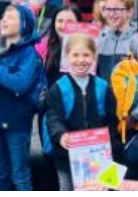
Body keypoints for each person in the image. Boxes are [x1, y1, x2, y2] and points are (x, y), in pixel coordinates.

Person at [0, 4, 43, 192]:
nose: (4, 20)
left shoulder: (28, 53)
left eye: (11, 17)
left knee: (20, 174)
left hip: (17, 121)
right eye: (3, 16)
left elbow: (21, 83)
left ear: (25, 25)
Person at [43, 32, 121, 191]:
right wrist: (61, 135)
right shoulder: (58, 88)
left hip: (100, 156)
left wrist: (113, 149)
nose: (81, 60)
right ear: (67, 57)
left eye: (86, 55)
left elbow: (112, 122)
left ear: (94, 57)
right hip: (67, 156)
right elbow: (53, 118)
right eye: (75, 55)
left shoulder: (103, 87)